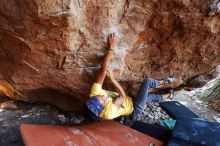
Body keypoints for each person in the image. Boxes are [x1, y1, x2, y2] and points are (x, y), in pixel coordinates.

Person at [85, 33, 175, 121]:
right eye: (103, 101)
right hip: (134, 109)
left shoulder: (94, 94)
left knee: (149, 98)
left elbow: (102, 70)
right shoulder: (109, 113)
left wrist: (111, 48)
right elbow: (122, 96)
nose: (103, 96)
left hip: (130, 100)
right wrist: (112, 79)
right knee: (147, 82)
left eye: (99, 96)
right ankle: (163, 82)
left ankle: (169, 95)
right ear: (102, 108)